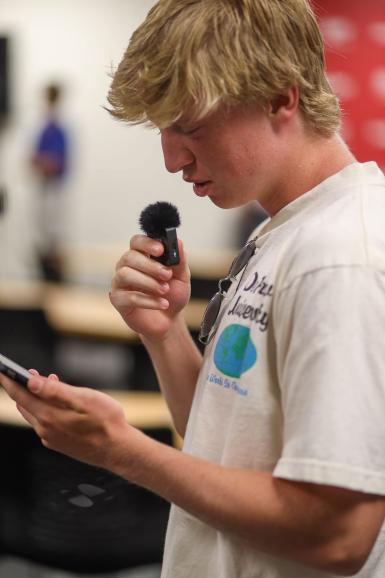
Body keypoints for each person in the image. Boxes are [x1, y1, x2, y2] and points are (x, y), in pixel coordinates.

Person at [2, 0, 385, 576]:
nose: (172, 159)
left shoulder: (338, 258)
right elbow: (222, 437)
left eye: (191, 125)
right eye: (163, 130)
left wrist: (122, 450)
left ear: (282, 96)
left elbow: (337, 532)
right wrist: (163, 332)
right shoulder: (283, 229)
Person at [30, 83, 69, 281]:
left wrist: (45, 163)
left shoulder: (59, 130)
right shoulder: (44, 128)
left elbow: (59, 162)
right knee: (42, 234)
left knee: (54, 234)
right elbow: (34, 159)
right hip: (44, 189)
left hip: (55, 189)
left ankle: (54, 279)